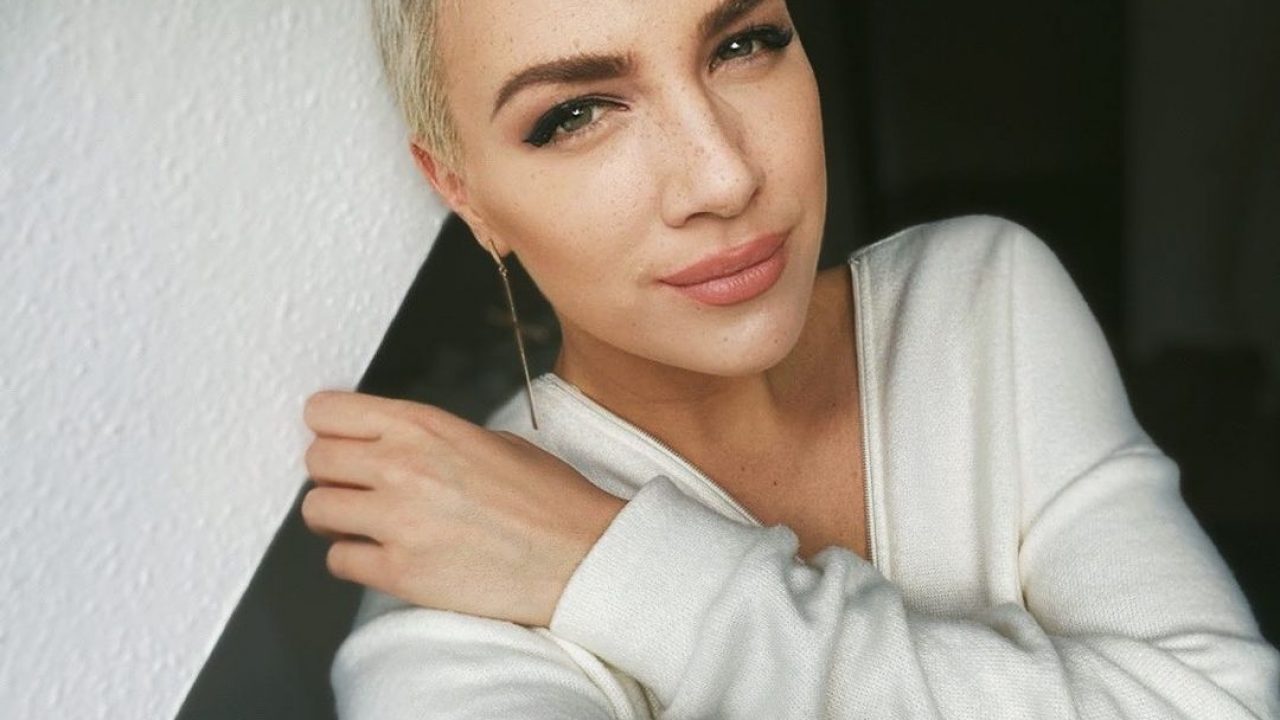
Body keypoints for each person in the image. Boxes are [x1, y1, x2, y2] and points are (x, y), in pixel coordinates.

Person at [298, 0, 1280, 717]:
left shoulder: (981, 301)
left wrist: (621, 565)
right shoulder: (451, 587)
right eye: (577, 113)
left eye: (741, 44)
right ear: (462, 191)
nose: (724, 176)